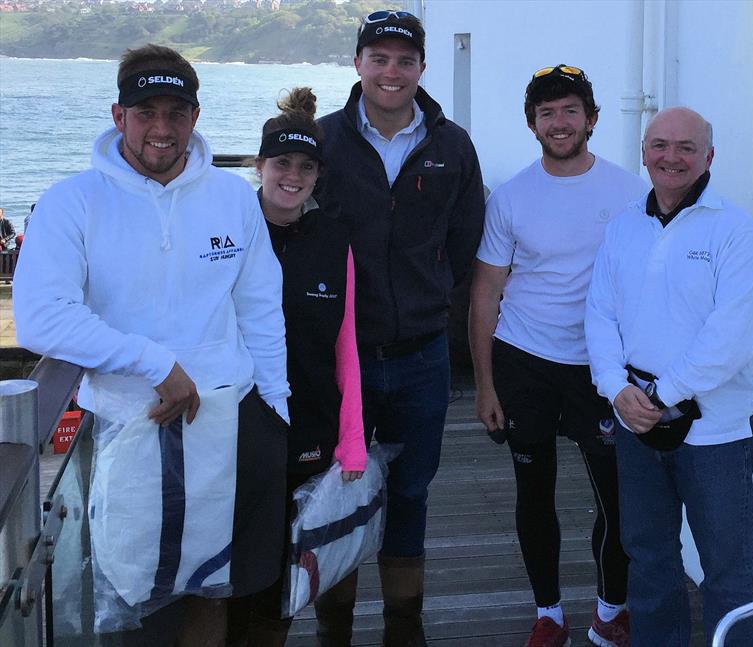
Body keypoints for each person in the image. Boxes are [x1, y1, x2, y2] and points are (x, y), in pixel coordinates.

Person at [13, 44, 290, 646]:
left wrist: (275, 405)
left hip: (230, 420)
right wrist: (155, 362)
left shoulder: (233, 198)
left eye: (176, 112)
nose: (161, 129)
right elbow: (40, 319)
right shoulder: (72, 201)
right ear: (119, 116)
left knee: (212, 587)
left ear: (196, 116)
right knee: (131, 597)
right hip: (125, 426)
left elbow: (260, 307)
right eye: (146, 113)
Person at [315, 10, 485, 645]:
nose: (391, 71)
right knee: (336, 488)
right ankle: (334, 629)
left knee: (411, 490)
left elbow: (467, 241)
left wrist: (435, 300)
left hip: (420, 355)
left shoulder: (452, 146)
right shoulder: (323, 140)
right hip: (339, 358)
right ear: (357, 63)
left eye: (404, 60)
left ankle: (402, 628)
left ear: (421, 68)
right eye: (378, 58)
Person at [469, 64, 647, 647]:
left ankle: (609, 608)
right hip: (525, 362)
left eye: (570, 110)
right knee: (533, 493)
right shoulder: (513, 197)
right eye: (546, 113)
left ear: (591, 119)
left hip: (602, 368)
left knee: (614, 498)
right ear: (532, 125)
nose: (559, 122)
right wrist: (486, 386)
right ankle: (548, 614)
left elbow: (650, 284)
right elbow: (486, 292)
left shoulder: (629, 192)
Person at [585, 106, 753, 646]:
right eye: (660, 145)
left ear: (709, 157)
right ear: (644, 152)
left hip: (715, 433)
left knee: (729, 574)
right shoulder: (624, 227)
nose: (672, 157)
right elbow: (599, 314)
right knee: (648, 560)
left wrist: (659, 395)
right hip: (635, 423)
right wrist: (617, 388)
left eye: (686, 147)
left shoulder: (736, 233)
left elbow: (730, 339)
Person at [226, 86, 368, 647]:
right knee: (236, 569)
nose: (292, 175)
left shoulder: (333, 240)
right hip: (234, 431)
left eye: (305, 166)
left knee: (287, 572)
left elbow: (346, 347)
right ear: (259, 166)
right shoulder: (230, 232)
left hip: (309, 427)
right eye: (280, 162)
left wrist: (352, 442)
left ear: (317, 175)